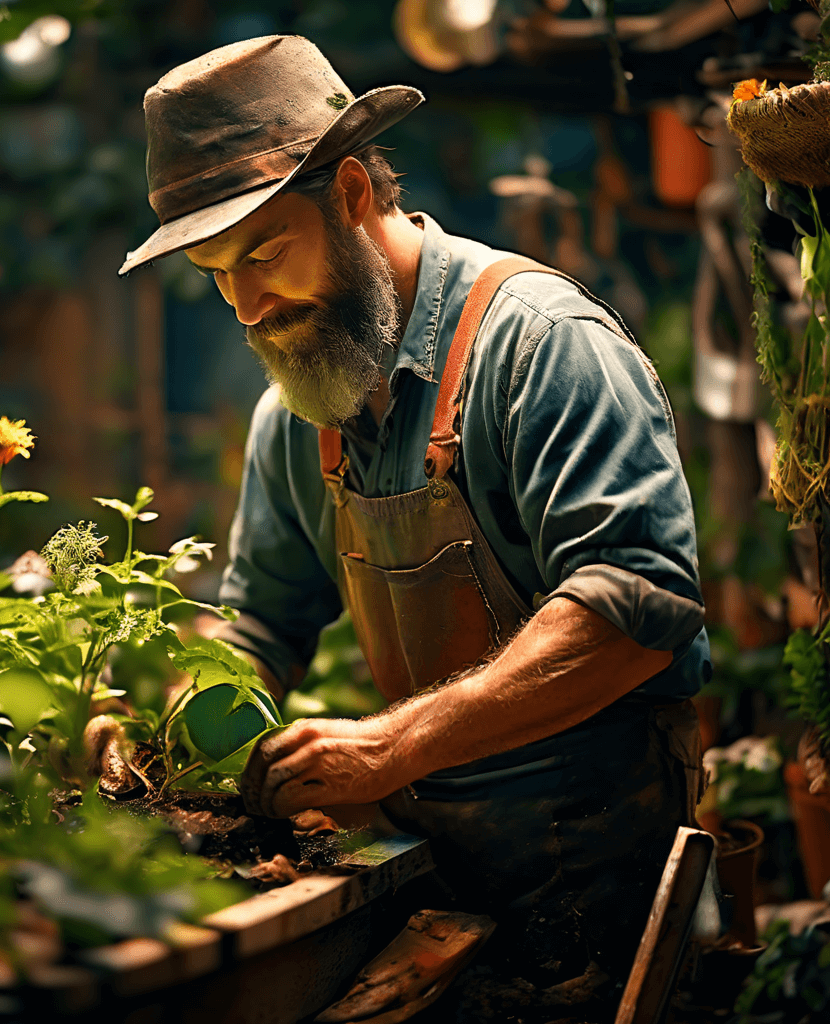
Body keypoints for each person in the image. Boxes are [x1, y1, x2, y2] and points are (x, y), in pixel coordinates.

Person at [120, 34, 710, 999]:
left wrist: (389, 747)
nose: (245, 308)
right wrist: (173, 708)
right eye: (215, 273)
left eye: (263, 254)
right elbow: (261, 623)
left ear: (352, 194)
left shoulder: (541, 348)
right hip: (429, 886)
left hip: (595, 889)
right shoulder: (298, 412)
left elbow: (637, 606)